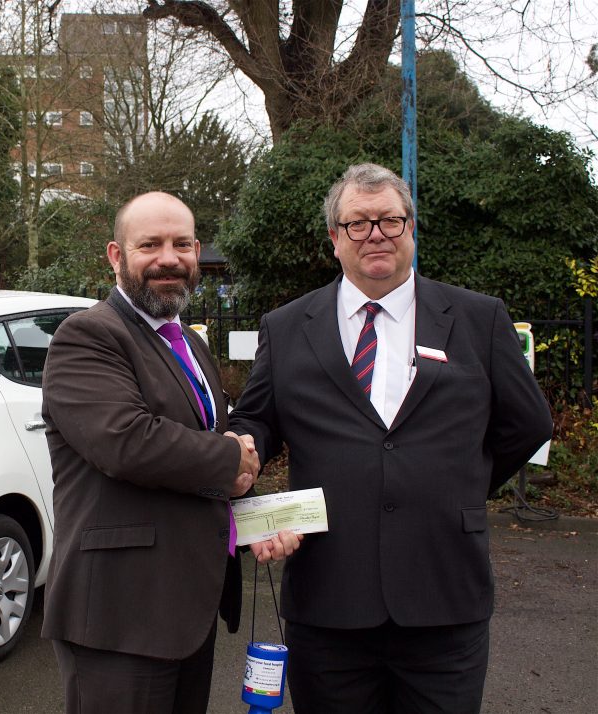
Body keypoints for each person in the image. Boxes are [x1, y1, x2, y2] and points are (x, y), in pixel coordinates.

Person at [229, 163, 553, 714]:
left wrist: (461, 486)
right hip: (328, 601)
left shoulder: (479, 318)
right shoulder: (286, 327)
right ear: (335, 239)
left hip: (444, 595)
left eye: (390, 221)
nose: (375, 234)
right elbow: (257, 420)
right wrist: (240, 452)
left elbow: (528, 424)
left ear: (411, 229)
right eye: (358, 223)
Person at [41, 191, 300, 714]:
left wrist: (252, 525)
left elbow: (195, 470)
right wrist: (235, 462)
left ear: (197, 252)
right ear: (117, 255)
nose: (168, 258)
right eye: (150, 244)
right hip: (120, 614)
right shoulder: (88, 335)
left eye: (182, 244)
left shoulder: (188, 344)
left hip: (185, 611)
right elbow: (127, 441)